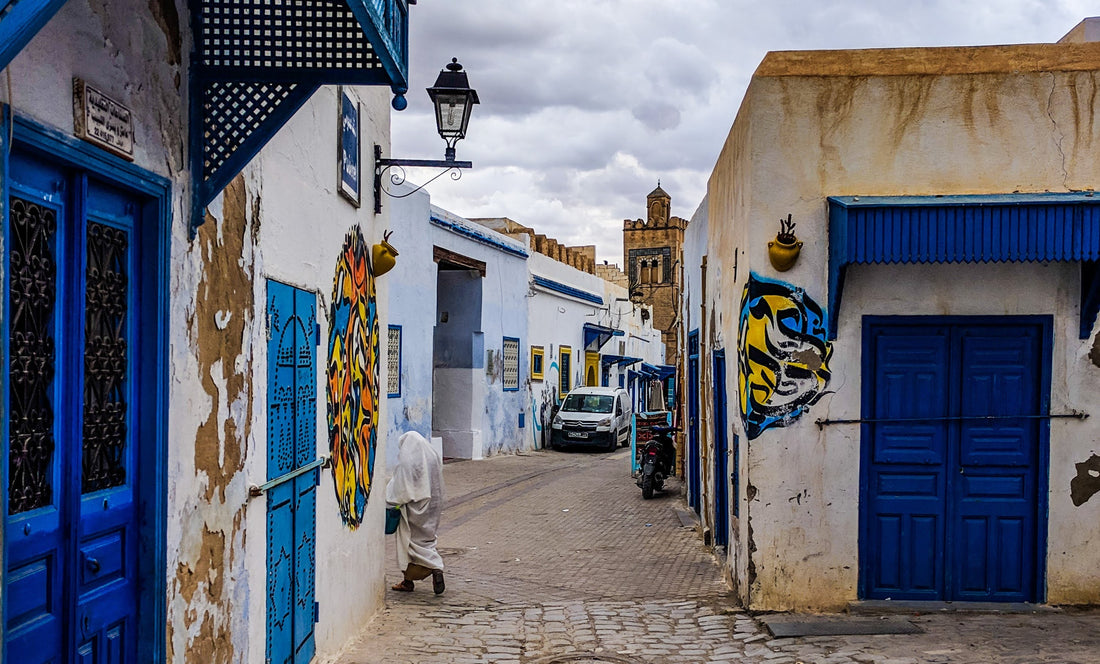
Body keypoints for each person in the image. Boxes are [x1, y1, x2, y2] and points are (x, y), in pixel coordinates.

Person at [386, 431, 445, 594]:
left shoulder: (407, 462)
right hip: (432, 506)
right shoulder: (432, 455)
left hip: (414, 509)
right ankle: (436, 569)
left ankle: (408, 581)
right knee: (427, 541)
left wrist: (388, 499)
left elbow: (400, 488)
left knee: (409, 544)